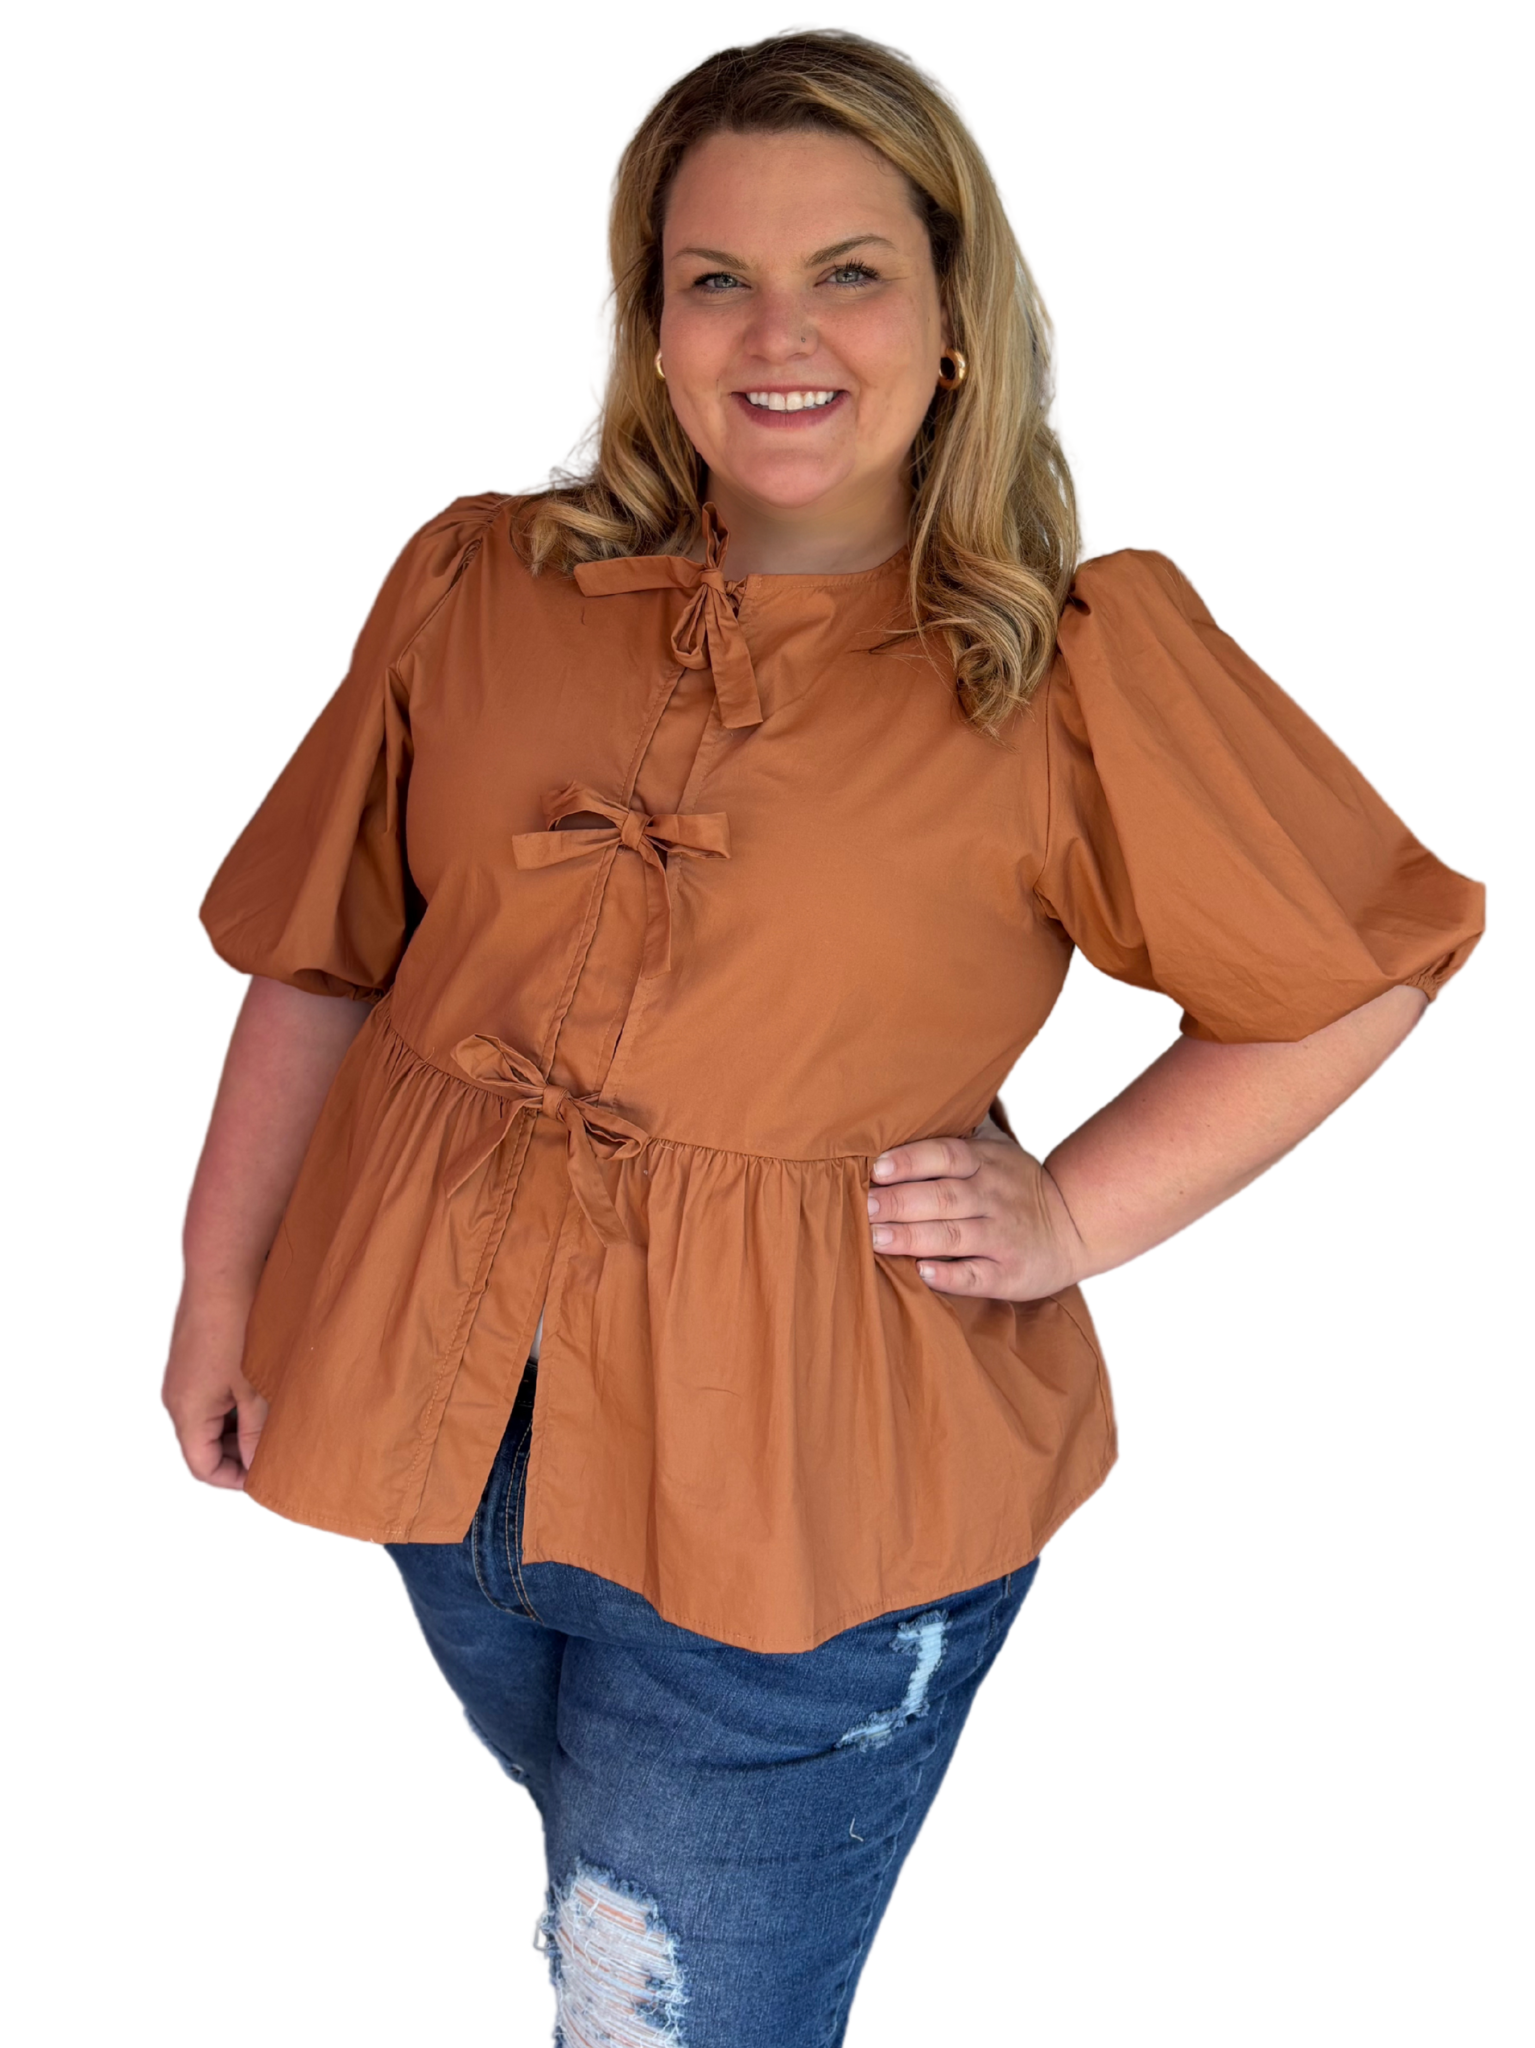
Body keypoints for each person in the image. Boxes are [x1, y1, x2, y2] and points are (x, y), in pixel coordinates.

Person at [162, 29, 1483, 2047]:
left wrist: (1070, 1216)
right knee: (610, 1926)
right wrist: (217, 1282)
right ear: (653, 322)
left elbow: (1354, 964)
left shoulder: (1058, 662)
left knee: (665, 2010)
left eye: (848, 272)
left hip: (801, 1506)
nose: (779, 334)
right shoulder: (483, 584)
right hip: (432, 1429)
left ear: (954, 320)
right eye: (717, 278)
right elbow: (327, 959)